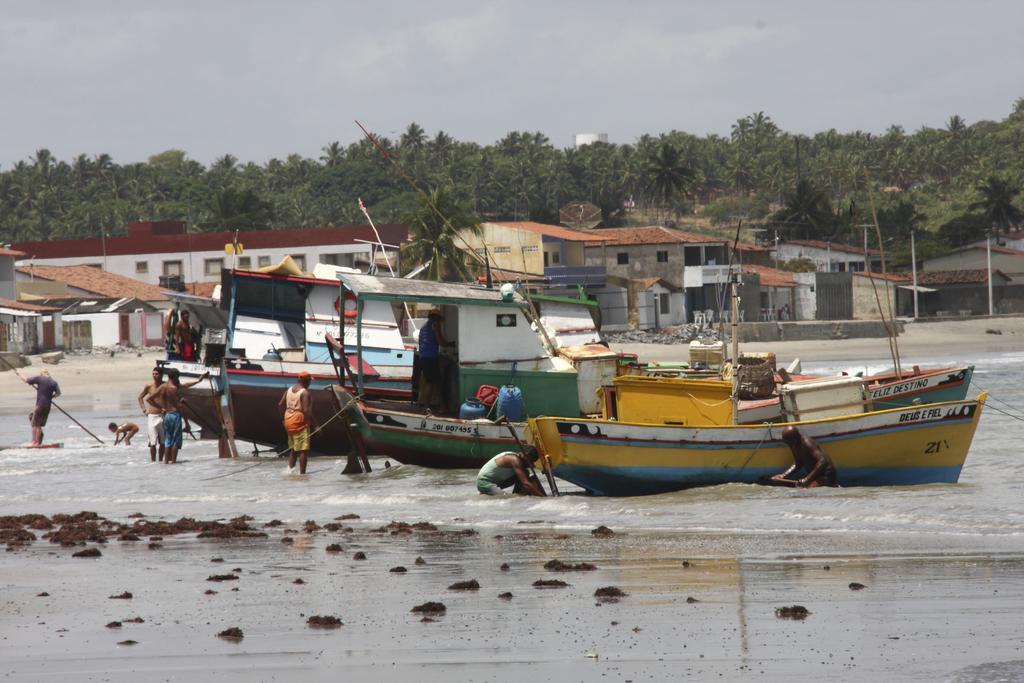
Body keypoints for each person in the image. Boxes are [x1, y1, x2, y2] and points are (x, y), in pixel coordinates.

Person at [145, 368, 207, 464]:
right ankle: (173, 462)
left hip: (166, 416)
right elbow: (180, 406)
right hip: (175, 415)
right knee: (175, 441)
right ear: (176, 377)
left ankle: (166, 463)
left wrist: (161, 408)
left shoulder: (163, 386)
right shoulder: (173, 389)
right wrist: (187, 423)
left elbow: (149, 399)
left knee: (167, 440)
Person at [770, 426, 838, 488]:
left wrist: (807, 479)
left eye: (788, 442)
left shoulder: (807, 443)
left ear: (795, 438)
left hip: (826, 475)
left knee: (811, 491)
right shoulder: (793, 444)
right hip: (814, 477)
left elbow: (823, 461)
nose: (787, 444)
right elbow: (798, 463)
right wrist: (783, 476)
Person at [279, 370, 314, 475]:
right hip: (299, 423)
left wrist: (283, 420)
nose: (310, 383)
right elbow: (307, 411)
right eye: (310, 381)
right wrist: (315, 425)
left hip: (288, 421)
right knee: (303, 450)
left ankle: (290, 471)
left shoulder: (289, 389)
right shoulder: (305, 393)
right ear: (306, 381)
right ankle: (302, 474)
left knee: (294, 448)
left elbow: (280, 405)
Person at [417, 307, 450, 412]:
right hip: (430, 358)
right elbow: (440, 341)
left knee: (430, 382)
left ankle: (429, 406)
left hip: (423, 358)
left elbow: (420, 343)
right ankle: (438, 407)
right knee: (435, 383)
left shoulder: (423, 327)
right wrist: (450, 344)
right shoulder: (435, 324)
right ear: (436, 317)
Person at [476, 448, 546, 496]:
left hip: (497, 482)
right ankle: (488, 491)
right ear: (526, 455)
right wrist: (543, 498)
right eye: (531, 461)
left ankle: (517, 495)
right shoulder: (514, 459)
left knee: (525, 472)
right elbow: (526, 483)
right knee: (504, 499)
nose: (530, 464)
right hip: (484, 482)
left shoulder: (516, 458)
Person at [23, 369, 61, 446]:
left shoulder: (40, 378)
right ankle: (37, 442)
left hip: (40, 405)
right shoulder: (54, 382)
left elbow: (26, 380)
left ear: (42, 374)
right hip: (47, 406)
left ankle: (34, 442)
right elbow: (58, 393)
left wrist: (19, 374)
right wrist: (50, 397)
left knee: (34, 424)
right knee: (39, 425)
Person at [139, 367, 167, 462]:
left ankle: (160, 461)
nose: (154, 376)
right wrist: (144, 410)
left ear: (161, 375)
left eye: (156, 374)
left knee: (162, 441)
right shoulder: (149, 386)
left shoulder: (165, 385)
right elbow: (140, 397)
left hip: (162, 416)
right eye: (153, 374)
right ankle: (153, 461)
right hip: (152, 415)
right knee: (152, 442)